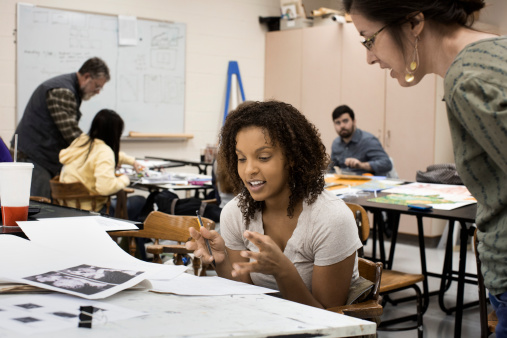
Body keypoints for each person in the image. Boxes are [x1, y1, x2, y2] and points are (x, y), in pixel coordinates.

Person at [342, 0, 507, 334]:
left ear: (414, 22)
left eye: (368, 38)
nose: (370, 57)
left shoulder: (467, 79)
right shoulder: (495, 50)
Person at [187, 100, 363, 309]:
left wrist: (283, 271)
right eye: (241, 158)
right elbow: (243, 295)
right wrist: (220, 261)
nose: (249, 169)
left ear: (292, 158)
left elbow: (329, 318)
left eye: (263, 157)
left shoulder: (332, 218)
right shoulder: (235, 213)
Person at [11, 57, 110, 198]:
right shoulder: (62, 91)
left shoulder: (69, 88)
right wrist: (102, 153)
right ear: (87, 77)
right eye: (97, 86)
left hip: (40, 158)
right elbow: (72, 134)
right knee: (39, 209)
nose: (98, 91)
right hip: (35, 158)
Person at [59, 109, 145, 221]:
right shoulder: (104, 152)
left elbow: (104, 154)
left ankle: (131, 238)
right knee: (140, 201)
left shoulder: (81, 142)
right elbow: (105, 188)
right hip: (92, 213)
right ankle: (135, 238)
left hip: (66, 210)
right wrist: (125, 178)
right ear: (114, 133)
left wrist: (132, 161)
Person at [330, 104, 392, 176]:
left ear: (354, 121)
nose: (342, 126)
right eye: (338, 123)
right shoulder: (336, 144)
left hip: (366, 183)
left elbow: (387, 164)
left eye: (345, 121)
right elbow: (331, 169)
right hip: (343, 184)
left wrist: (361, 165)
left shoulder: (368, 140)